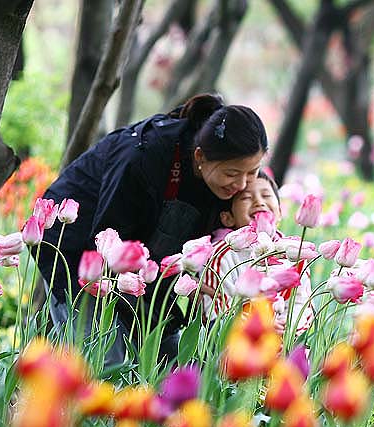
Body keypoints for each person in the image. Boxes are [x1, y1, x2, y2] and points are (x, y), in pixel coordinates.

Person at [35, 93, 268, 364]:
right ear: (199, 156)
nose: (241, 184)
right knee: (104, 361)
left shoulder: (223, 182)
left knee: (164, 365)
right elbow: (105, 242)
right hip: (79, 253)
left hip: (147, 270)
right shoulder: (142, 156)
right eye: (232, 174)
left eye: (252, 172)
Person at [201, 171, 314, 335]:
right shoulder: (222, 255)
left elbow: (302, 303)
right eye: (246, 198)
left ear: (280, 212)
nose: (259, 202)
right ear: (228, 218)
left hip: (282, 340)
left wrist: (290, 330)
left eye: (266, 195)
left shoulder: (295, 252)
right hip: (232, 343)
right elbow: (216, 310)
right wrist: (257, 325)